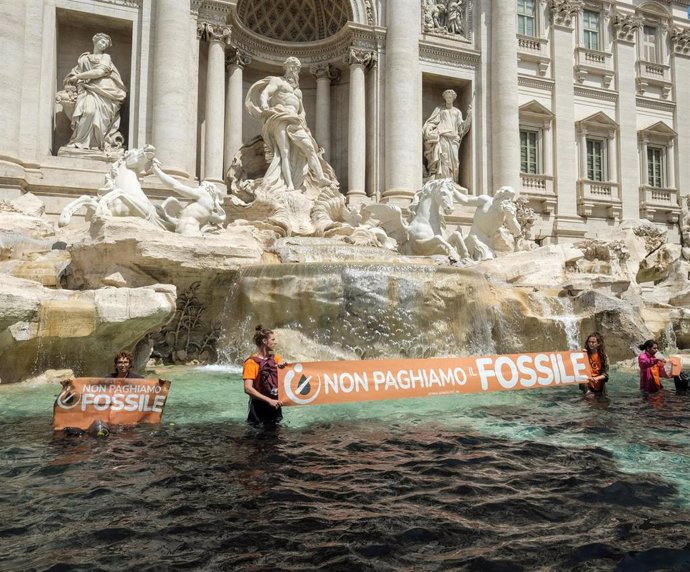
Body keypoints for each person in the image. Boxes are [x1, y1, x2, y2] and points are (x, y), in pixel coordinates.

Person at [245, 57, 334, 193]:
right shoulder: (278, 81)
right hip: (280, 117)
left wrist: (303, 121)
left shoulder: (297, 91)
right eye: (292, 66)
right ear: (286, 67)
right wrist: (264, 105)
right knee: (284, 152)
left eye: (297, 67)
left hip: (296, 121)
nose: (294, 70)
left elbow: (302, 110)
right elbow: (265, 92)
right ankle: (290, 185)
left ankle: (320, 177)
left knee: (310, 148)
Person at [60, 33, 127, 152]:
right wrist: (72, 79)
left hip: (105, 91)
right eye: (102, 42)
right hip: (88, 89)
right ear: (95, 41)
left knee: (101, 119)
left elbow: (99, 72)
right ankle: (79, 142)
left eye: (106, 44)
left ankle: (97, 145)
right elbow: (73, 74)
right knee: (88, 111)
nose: (104, 45)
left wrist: (78, 76)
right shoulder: (84, 58)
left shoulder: (106, 57)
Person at [151, 158, 226, 236]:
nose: (199, 187)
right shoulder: (203, 207)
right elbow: (181, 221)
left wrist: (156, 171)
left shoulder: (203, 195)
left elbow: (176, 186)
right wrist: (165, 217)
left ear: (207, 188)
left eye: (202, 185)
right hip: (189, 232)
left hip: (189, 232)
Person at [422, 89, 471, 182]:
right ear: (444, 98)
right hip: (443, 136)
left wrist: (469, 116)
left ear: (453, 98)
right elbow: (432, 121)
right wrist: (428, 129)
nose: (449, 99)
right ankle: (443, 180)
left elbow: (462, 128)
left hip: (454, 138)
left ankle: (453, 181)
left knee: (455, 161)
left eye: (451, 97)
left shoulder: (457, 112)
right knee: (444, 158)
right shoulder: (440, 110)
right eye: (447, 97)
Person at [242, 325, 287, 425]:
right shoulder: (251, 363)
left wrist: (284, 368)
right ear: (264, 341)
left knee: (277, 436)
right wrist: (269, 400)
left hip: (275, 404)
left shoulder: (277, 359)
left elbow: (288, 379)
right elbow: (247, 388)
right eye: (273, 339)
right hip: (259, 408)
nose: (275, 342)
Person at [579, 332, 609, 396]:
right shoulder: (583, 354)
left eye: (593, 342)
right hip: (587, 387)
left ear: (598, 343)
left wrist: (597, 378)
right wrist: (579, 353)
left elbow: (606, 374)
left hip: (600, 387)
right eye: (589, 342)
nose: (591, 344)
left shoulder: (603, 357)